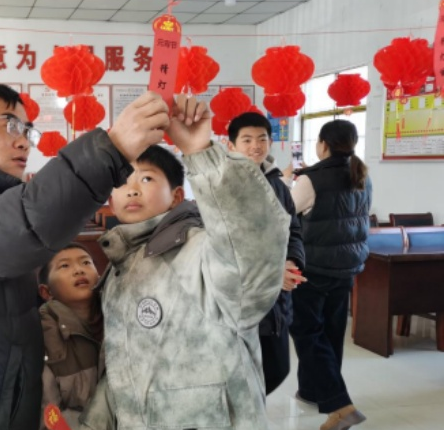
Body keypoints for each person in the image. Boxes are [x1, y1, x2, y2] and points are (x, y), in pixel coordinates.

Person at [0, 84, 170, 430]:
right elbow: (18, 226)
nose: (24, 142)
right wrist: (110, 149)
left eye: (28, 131)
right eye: (10, 125)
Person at [79, 96, 290, 430]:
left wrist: (199, 151)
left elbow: (247, 258)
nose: (131, 190)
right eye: (122, 182)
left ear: (176, 196)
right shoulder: (120, 264)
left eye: (146, 179)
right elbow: (122, 365)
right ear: (110, 198)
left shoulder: (195, 249)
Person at [286, 120, 370, 430]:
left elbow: (284, 212)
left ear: (323, 144)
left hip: (314, 267)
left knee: (307, 331)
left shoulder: (310, 180)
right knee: (332, 332)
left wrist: (286, 181)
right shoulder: (362, 175)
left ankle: (339, 404)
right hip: (347, 266)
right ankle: (312, 391)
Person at [226, 111, 306, 395]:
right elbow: (228, 244)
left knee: (276, 368)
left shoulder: (277, 185)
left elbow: (293, 230)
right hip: (239, 297)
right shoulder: (223, 186)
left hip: (276, 300)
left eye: (261, 139)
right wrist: (274, 273)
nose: (255, 146)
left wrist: (292, 261)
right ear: (231, 145)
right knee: (239, 376)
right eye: (246, 140)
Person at [38, 243, 103, 430]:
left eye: (86, 263)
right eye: (65, 266)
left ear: (100, 278)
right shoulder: (42, 334)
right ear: (46, 292)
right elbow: (50, 416)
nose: (79, 270)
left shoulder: (121, 314)